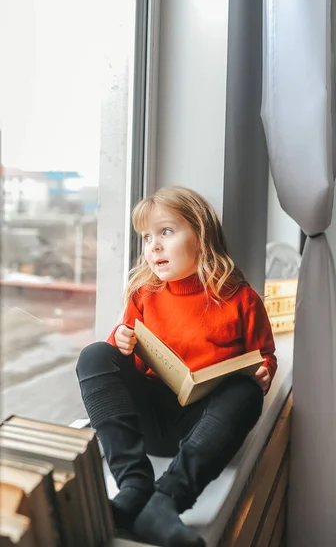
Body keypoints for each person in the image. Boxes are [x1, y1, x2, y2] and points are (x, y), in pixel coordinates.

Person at [76, 186, 277, 547]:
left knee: (246, 392)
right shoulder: (143, 295)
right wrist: (120, 341)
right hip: (150, 419)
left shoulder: (240, 299)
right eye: (146, 237)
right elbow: (119, 367)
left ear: (201, 236)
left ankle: (165, 501)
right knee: (94, 355)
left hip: (203, 428)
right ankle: (135, 485)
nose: (153, 246)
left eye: (165, 232)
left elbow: (264, 357)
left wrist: (263, 373)